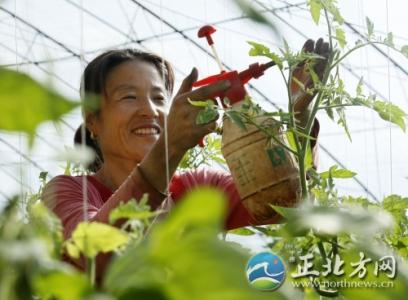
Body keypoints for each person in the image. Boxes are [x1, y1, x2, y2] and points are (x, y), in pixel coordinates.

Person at [42, 38, 329, 279]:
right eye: (129, 97)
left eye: (158, 98)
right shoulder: (68, 191)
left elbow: (287, 207)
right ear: (93, 120)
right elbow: (96, 255)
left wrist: (299, 121)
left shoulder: (194, 190)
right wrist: (168, 150)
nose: (149, 110)